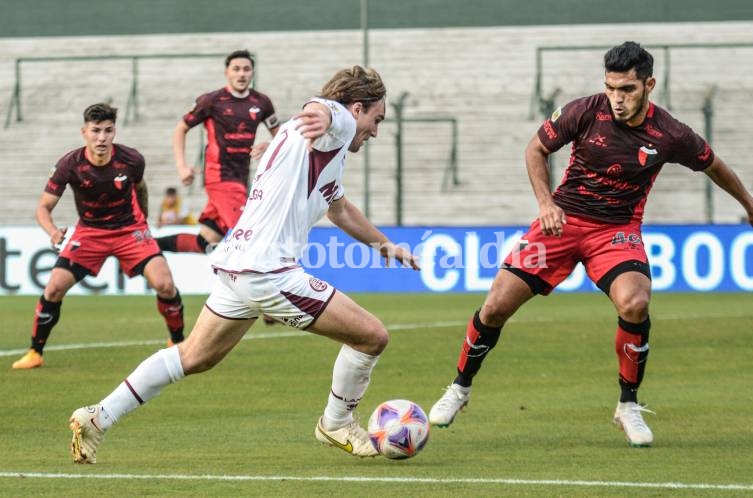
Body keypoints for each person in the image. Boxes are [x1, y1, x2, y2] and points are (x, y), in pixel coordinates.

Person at [68, 66, 420, 464]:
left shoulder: (322, 152)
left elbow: (339, 209)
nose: (375, 130)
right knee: (372, 336)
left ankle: (98, 417)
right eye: (377, 119)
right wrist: (322, 112)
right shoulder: (333, 125)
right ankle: (336, 422)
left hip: (239, 268)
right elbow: (325, 111)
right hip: (269, 271)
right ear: (357, 108)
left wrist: (385, 246)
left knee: (195, 356)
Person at [428, 41, 753, 447]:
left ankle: (628, 405)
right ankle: (459, 389)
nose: (617, 99)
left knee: (635, 302)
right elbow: (536, 148)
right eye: (612, 88)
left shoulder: (670, 133)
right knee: (494, 306)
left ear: (649, 84)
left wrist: (748, 205)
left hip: (616, 231)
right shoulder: (585, 110)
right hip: (561, 221)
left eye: (628, 90)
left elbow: (714, 165)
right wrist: (545, 203)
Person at [11, 103, 185, 370]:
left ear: (114, 131)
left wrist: (144, 220)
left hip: (129, 231)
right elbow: (43, 208)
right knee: (54, 288)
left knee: (165, 284)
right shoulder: (69, 164)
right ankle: (35, 352)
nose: (101, 137)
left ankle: (178, 343)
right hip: (90, 232)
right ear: (84, 132)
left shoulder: (132, 159)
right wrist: (53, 231)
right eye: (96, 131)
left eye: (108, 130)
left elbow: (141, 187)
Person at [155, 49, 280, 255]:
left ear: (252, 73)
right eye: (236, 69)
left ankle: (147, 247)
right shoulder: (212, 101)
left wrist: (270, 144)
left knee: (206, 242)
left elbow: (281, 136)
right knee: (250, 232)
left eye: (246, 69)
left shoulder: (262, 102)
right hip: (220, 177)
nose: (241, 74)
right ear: (227, 73)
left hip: (241, 178)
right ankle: (257, 285)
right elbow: (181, 128)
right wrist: (182, 166)